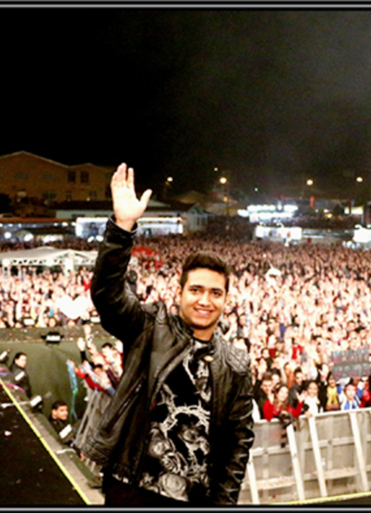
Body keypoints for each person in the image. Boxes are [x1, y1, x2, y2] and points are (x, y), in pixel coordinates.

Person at [78, 164, 254, 506]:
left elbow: (237, 444)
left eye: (215, 293)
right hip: (133, 487)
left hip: (194, 498)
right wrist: (122, 227)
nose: (205, 300)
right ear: (180, 292)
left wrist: (225, 502)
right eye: (197, 290)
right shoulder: (150, 327)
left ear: (227, 300)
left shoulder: (236, 363)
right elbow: (107, 295)